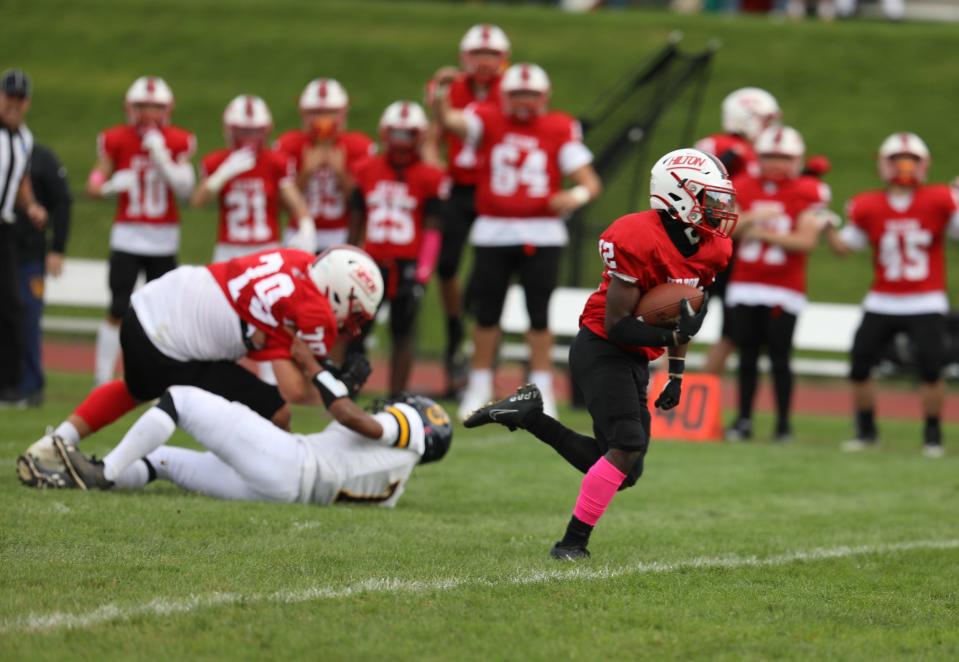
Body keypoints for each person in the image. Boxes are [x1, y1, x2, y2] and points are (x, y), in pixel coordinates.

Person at [465, 148, 735, 560]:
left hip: (637, 357)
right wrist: (674, 334)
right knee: (626, 445)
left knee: (627, 469)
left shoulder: (711, 248)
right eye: (709, 198)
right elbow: (618, 325)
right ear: (678, 194)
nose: (718, 208)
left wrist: (677, 374)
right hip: (601, 347)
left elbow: (683, 315)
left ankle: (528, 415)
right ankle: (571, 544)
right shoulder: (635, 236)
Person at [18, 246, 386, 486]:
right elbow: (294, 389)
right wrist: (333, 386)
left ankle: (55, 442)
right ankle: (107, 475)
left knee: (137, 388)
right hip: (171, 341)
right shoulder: (315, 310)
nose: (349, 324)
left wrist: (321, 374)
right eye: (353, 313)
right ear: (339, 294)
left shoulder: (298, 261)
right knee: (277, 410)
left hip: (148, 306)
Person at [433, 62, 602, 421]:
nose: (525, 101)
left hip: (542, 232)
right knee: (486, 313)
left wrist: (574, 198)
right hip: (494, 229)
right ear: (505, 95)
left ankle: (543, 390)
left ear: (545, 97)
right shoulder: (487, 118)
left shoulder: (559, 126)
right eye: (517, 93)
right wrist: (440, 95)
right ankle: (479, 385)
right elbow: (449, 121)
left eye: (531, 94)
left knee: (538, 316)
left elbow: (589, 182)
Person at [22, 386, 452, 507]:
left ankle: (107, 472)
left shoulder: (408, 430)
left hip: (290, 462)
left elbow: (350, 418)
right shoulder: (394, 489)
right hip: (284, 492)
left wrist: (324, 376)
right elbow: (351, 442)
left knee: (182, 399)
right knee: (161, 461)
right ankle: (81, 477)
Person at [825, 132, 959, 458]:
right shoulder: (868, 204)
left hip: (925, 298)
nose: (904, 166)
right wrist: (826, 225)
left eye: (910, 160)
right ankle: (867, 431)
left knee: (931, 368)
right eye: (898, 160)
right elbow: (847, 246)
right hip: (882, 298)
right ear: (883, 165)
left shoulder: (941, 199)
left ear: (923, 164)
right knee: (859, 365)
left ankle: (932, 436)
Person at [724, 126, 834, 442]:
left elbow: (805, 241)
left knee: (779, 357)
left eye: (783, 158)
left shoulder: (809, 190)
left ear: (797, 160)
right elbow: (724, 229)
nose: (775, 163)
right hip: (746, 282)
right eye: (770, 156)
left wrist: (759, 231)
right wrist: (752, 218)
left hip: (784, 287)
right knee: (746, 356)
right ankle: (743, 419)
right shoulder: (742, 185)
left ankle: (783, 424)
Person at [86, 76, 196, 386]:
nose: (148, 114)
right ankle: (102, 378)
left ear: (167, 109)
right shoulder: (116, 140)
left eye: (154, 107)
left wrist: (162, 157)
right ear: (130, 109)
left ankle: (154, 374)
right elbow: (93, 183)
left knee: (160, 312)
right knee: (118, 306)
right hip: (128, 234)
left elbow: (187, 189)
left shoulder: (177, 142)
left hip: (163, 238)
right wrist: (106, 186)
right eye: (142, 107)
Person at [423, 23, 509, 396]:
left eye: (492, 55)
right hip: (459, 187)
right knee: (446, 264)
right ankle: (457, 325)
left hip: (495, 188)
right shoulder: (453, 89)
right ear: (465, 58)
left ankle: (481, 323)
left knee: (490, 268)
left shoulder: (512, 92)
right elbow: (433, 137)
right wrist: (436, 171)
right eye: (479, 55)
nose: (485, 63)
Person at [347, 101, 450, 396]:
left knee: (402, 333)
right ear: (385, 133)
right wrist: (349, 256)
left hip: (406, 263)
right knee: (356, 330)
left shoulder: (429, 176)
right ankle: (347, 391)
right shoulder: (366, 169)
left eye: (409, 135)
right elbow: (356, 221)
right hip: (370, 262)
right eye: (397, 134)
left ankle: (395, 397)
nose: (402, 142)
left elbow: (433, 228)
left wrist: (423, 272)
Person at [695, 87, 781, 376]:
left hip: (733, 250)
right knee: (673, 318)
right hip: (702, 246)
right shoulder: (723, 146)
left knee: (733, 331)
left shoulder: (758, 154)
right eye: (765, 120)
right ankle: (657, 385)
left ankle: (693, 393)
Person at [193, 95, 314, 262]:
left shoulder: (275, 162)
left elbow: (297, 203)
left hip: (267, 249)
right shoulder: (218, 162)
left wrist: (307, 227)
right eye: (243, 131)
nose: (249, 137)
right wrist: (222, 174)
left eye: (254, 131)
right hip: (229, 250)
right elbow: (198, 201)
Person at [274, 79, 375, 254]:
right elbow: (280, 205)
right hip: (299, 233)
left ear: (343, 113)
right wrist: (306, 172)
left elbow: (364, 205)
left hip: (342, 233)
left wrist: (340, 173)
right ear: (303, 114)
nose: (322, 120)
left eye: (330, 112)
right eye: (316, 112)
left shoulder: (359, 146)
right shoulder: (288, 145)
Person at [0, 69, 48, 406]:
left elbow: (20, 181)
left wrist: (31, 206)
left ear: (27, 102)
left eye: (20, 98)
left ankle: (9, 385)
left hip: (5, 228)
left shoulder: (24, 139)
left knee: (11, 307)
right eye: (8, 96)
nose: (14, 104)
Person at [14, 142, 72, 406]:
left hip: (29, 253)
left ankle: (31, 385)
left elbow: (62, 200)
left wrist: (57, 248)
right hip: (7, 251)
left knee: (28, 316)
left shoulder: (40, 157)